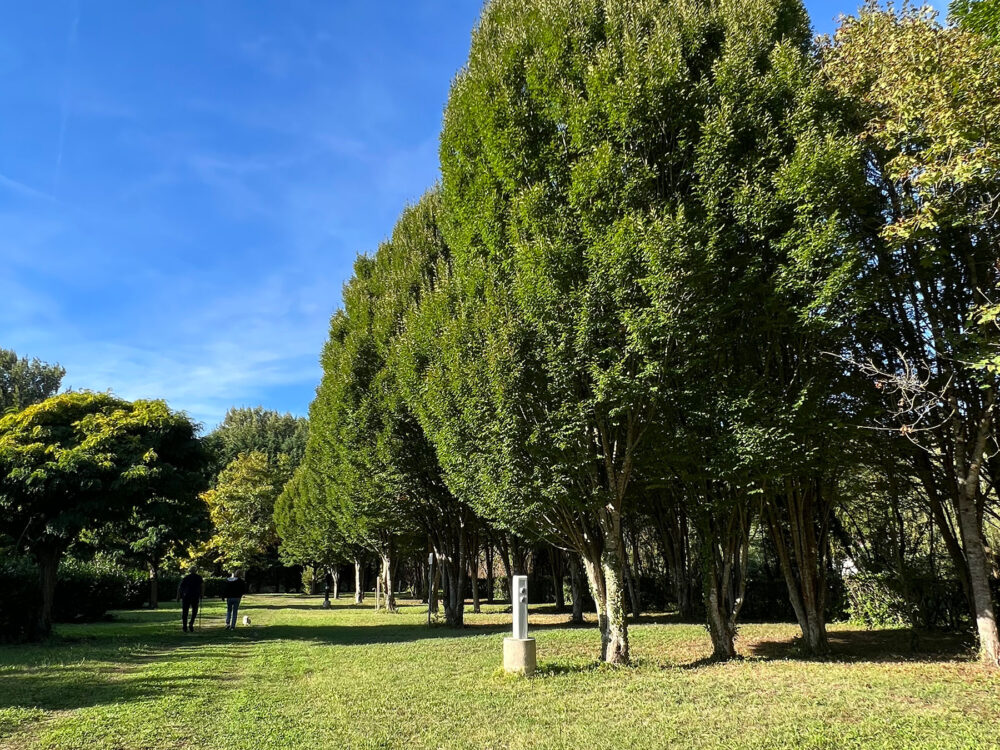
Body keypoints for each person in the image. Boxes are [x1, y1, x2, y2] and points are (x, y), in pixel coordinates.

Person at [177, 566, 204, 633]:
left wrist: (178, 596)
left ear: (189, 571)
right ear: (196, 571)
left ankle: (184, 626)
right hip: (195, 595)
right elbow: (202, 586)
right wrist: (202, 594)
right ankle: (191, 623)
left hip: (186, 596)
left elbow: (180, 587)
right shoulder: (199, 577)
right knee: (194, 611)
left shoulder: (186, 577)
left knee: (185, 612)